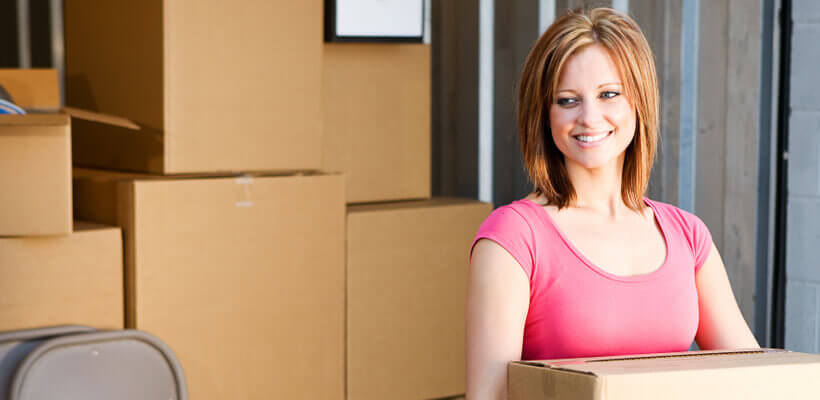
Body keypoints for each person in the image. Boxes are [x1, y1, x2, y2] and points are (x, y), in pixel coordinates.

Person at [465, 7, 760, 400]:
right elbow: (489, 396)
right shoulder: (514, 238)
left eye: (609, 94)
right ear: (543, 115)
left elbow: (755, 376)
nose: (590, 117)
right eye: (568, 100)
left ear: (638, 101)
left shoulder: (687, 235)